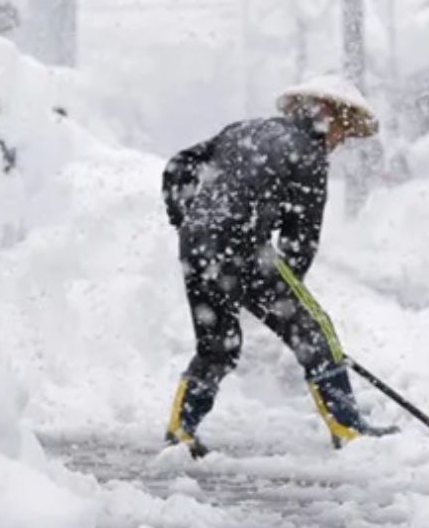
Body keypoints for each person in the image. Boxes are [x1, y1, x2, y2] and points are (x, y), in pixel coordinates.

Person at [161, 74, 398, 457]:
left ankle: (180, 429)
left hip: (197, 245)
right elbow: (300, 239)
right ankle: (347, 427)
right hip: (243, 245)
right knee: (315, 328)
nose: (340, 141)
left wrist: (186, 219)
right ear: (328, 115)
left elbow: (178, 165)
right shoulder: (308, 152)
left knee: (218, 345)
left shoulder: (243, 130)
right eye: (342, 131)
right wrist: (287, 300)